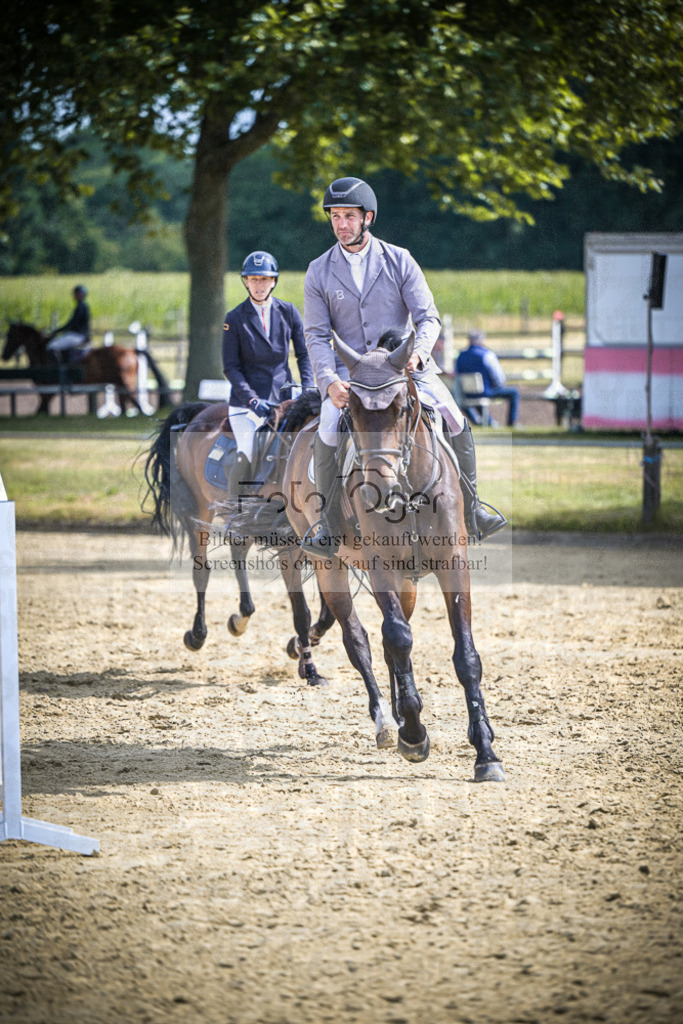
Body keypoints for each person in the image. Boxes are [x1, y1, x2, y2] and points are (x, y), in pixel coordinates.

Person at [302, 175, 507, 552]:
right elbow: (315, 334)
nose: (341, 224)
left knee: (454, 417)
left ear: (369, 217)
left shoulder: (399, 259)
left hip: (404, 368)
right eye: (335, 216)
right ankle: (328, 528)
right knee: (328, 432)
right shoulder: (319, 269)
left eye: (349, 216)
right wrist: (328, 379)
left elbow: (428, 318)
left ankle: (474, 508)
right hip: (352, 377)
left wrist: (419, 353)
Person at [222, 250, 315, 494]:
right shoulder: (234, 319)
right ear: (245, 282)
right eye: (253, 279)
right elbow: (231, 367)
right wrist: (252, 400)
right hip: (247, 404)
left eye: (264, 279)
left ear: (273, 281)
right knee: (249, 448)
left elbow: (304, 354)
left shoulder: (289, 312)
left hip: (285, 397)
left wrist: (306, 389)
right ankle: (235, 509)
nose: (259, 284)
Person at [455, 329, 520, 427]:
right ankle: (511, 423)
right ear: (481, 340)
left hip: (467, 392)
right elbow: (499, 376)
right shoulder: (486, 354)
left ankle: (489, 423)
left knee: (477, 395)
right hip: (485, 390)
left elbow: (457, 373)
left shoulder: (460, 355)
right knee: (514, 392)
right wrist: (498, 385)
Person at [46, 285, 91, 363]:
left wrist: (57, 331)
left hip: (76, 336)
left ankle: (60, 370)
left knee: (51, 347)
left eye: (78, 293)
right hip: (79, 335)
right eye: (75, 293)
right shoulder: (83, 306)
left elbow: (72, 323)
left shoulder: (81, 307)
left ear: (83, 295)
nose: (75, 295)